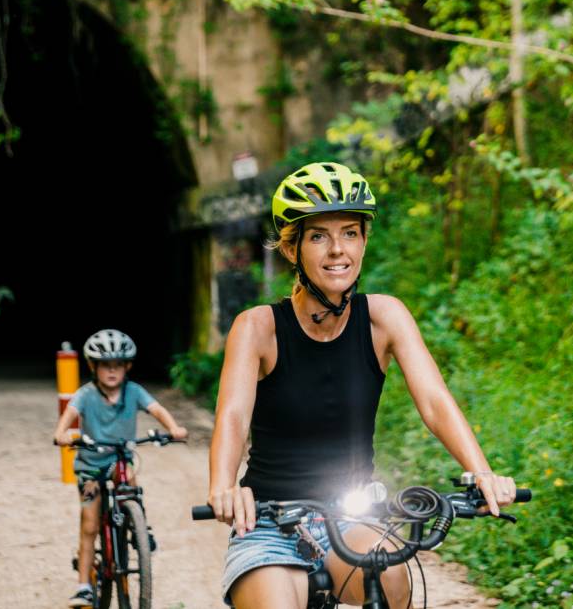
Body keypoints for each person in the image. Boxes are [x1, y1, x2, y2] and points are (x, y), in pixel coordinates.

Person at [206, 162, 518, 608]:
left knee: (391, 584)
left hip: (352, 514)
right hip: (270, 522)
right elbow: (233, 418)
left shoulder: (383, 317)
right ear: (293, 249)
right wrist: (223, 486)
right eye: (319, 236)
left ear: (365, 240)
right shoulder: (257, 328)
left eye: (350, 233)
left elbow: (433, 400)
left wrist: (481, 470)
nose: (338, 250)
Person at [53, 329, 189, 608]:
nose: (112, 371)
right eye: (105, 365)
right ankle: (83, 586)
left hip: (119, 458)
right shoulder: (85, 395)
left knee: (130, 478)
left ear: (127, 366)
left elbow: (157, 409)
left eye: (118, 365)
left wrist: (173, 428)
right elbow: (67, 419)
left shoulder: (134, 391)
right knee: (90, 523)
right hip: (91, 465)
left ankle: (140, 527)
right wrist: (63, 433)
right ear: (93, 367)